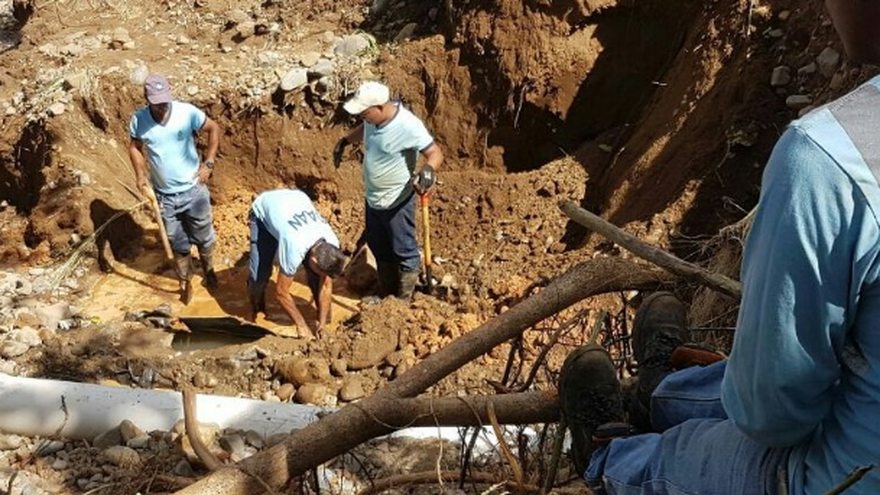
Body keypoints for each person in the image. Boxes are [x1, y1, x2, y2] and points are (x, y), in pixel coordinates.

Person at [559, 1, 880, 494]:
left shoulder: (829, 160)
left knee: (674, 456)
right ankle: (662, 390)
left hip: (846, 474)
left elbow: (771, 418)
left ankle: (608, 455)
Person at [333, 81, 444, 300]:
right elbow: (364, 129)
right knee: (378, 245)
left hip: (397, 201)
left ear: (380, 107)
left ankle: (402, 301)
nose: (362, 118)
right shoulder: (371, 121)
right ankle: (386, 294)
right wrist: (345, 141)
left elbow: (435, 152)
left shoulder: (407, 125)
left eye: (365, 113)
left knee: (404, 250)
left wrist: (428, 171)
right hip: (374, 199)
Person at [128, 73, 221, 305]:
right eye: (156, 103)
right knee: (176, 240)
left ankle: (209, 270)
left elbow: (213, 128)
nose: (162, 107)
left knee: (203, 234)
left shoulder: (186, 112)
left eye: (164, 101)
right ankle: (185, 278)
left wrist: (208, 164)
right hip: (165, 196)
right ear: (146, 99)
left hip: (194, 190)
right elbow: (135, 147)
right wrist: (140, 176)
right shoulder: (139, 121)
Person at [248, 188, 346, 340]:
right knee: (259, 277)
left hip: (295, 200)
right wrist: (301, 325)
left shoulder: (332, 243)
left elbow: (326, 285)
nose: (325, 277)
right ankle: (257, 307)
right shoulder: (295, 245)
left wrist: (322, 324)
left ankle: (322, 318)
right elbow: (281, 293)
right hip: (264, 212)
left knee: (318, 279)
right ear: (313, 259)